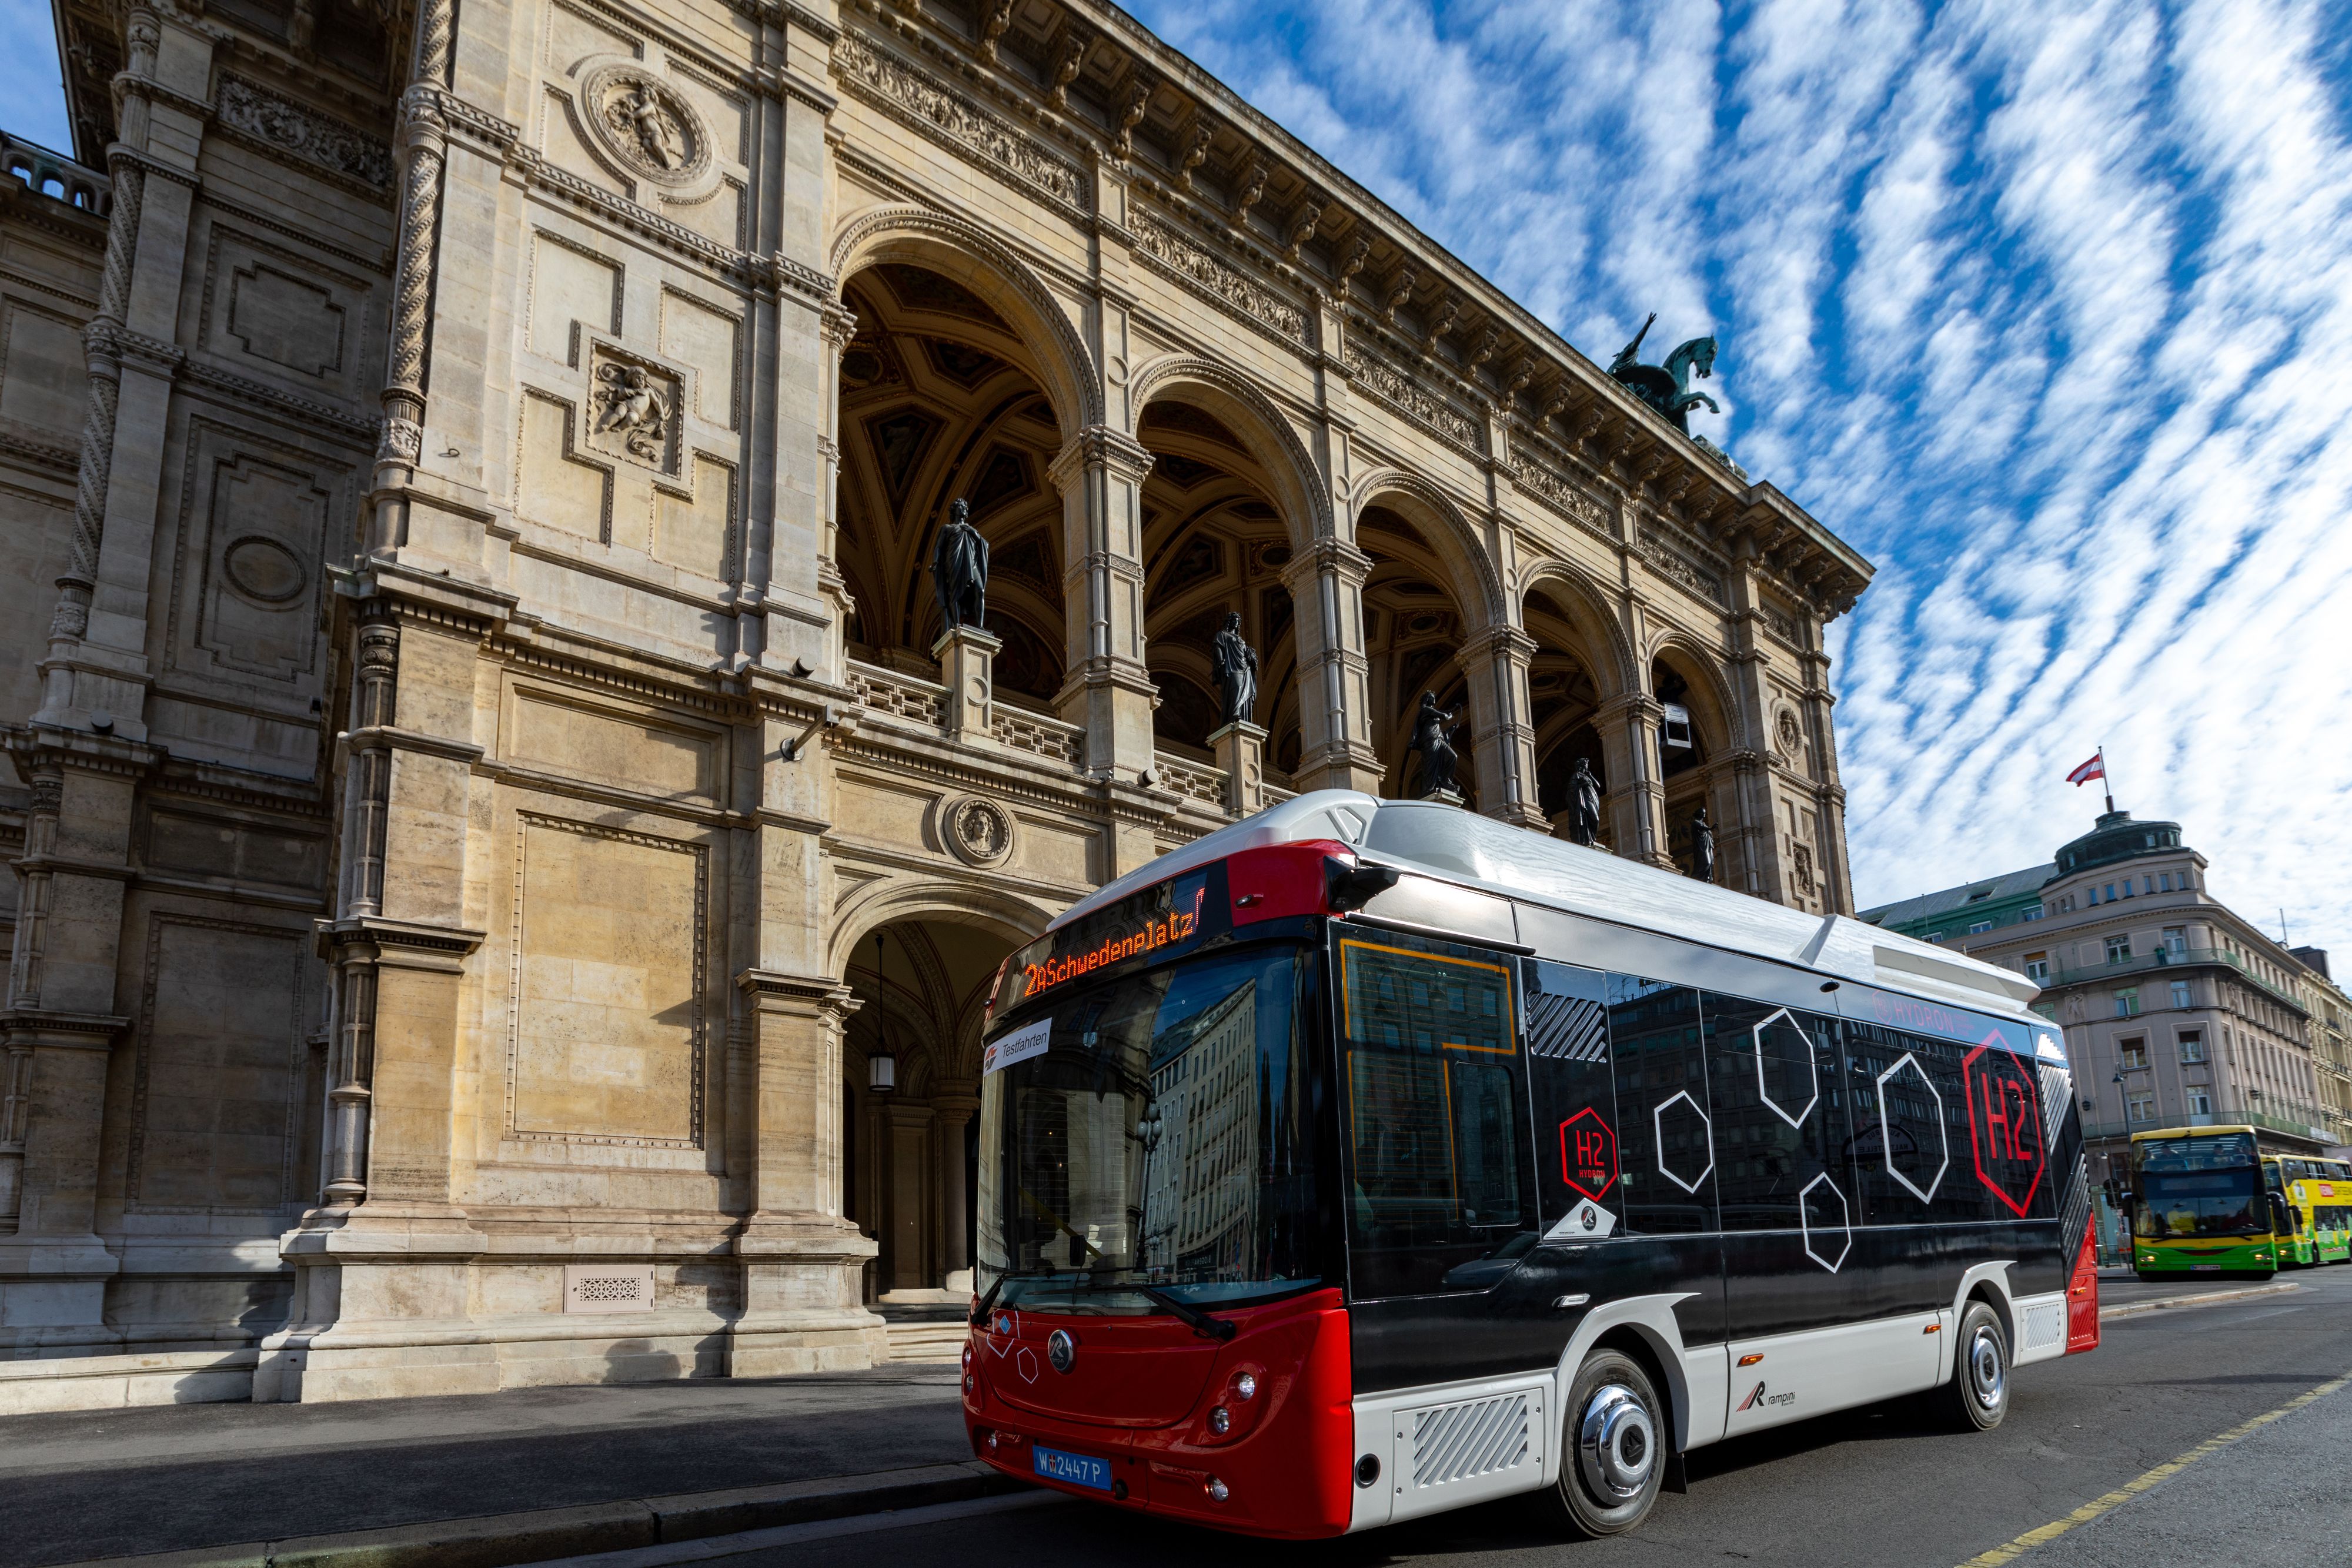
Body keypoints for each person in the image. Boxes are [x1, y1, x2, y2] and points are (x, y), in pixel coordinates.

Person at [931, 497, 988, 631]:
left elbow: (983, 545)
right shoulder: (947, 528)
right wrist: (936, 561)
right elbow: (939, 547)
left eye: (965, 507)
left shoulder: (971, 529)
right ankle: (956, 623)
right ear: (954, 510)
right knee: (955, 593)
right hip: (954, 560)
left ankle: (980, 626)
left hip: (972, 563)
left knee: (980, 590)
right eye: (961, 507)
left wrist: (975, 534)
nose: (963, 509)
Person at [1210, 611, 1258, 726]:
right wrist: (1221, 660)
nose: (1236, 623)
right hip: (1232, 667)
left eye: (1238, 622)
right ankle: (1234, 714)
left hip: (1244, 668)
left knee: (1244, 692)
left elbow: (1246, 652)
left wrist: (1252, 657)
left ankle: (1242, 715)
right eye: (1234, 621)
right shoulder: (1222, 634)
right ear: (1229, 622)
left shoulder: (1239, 638)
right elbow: (1218, 647)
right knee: (1236, 688)